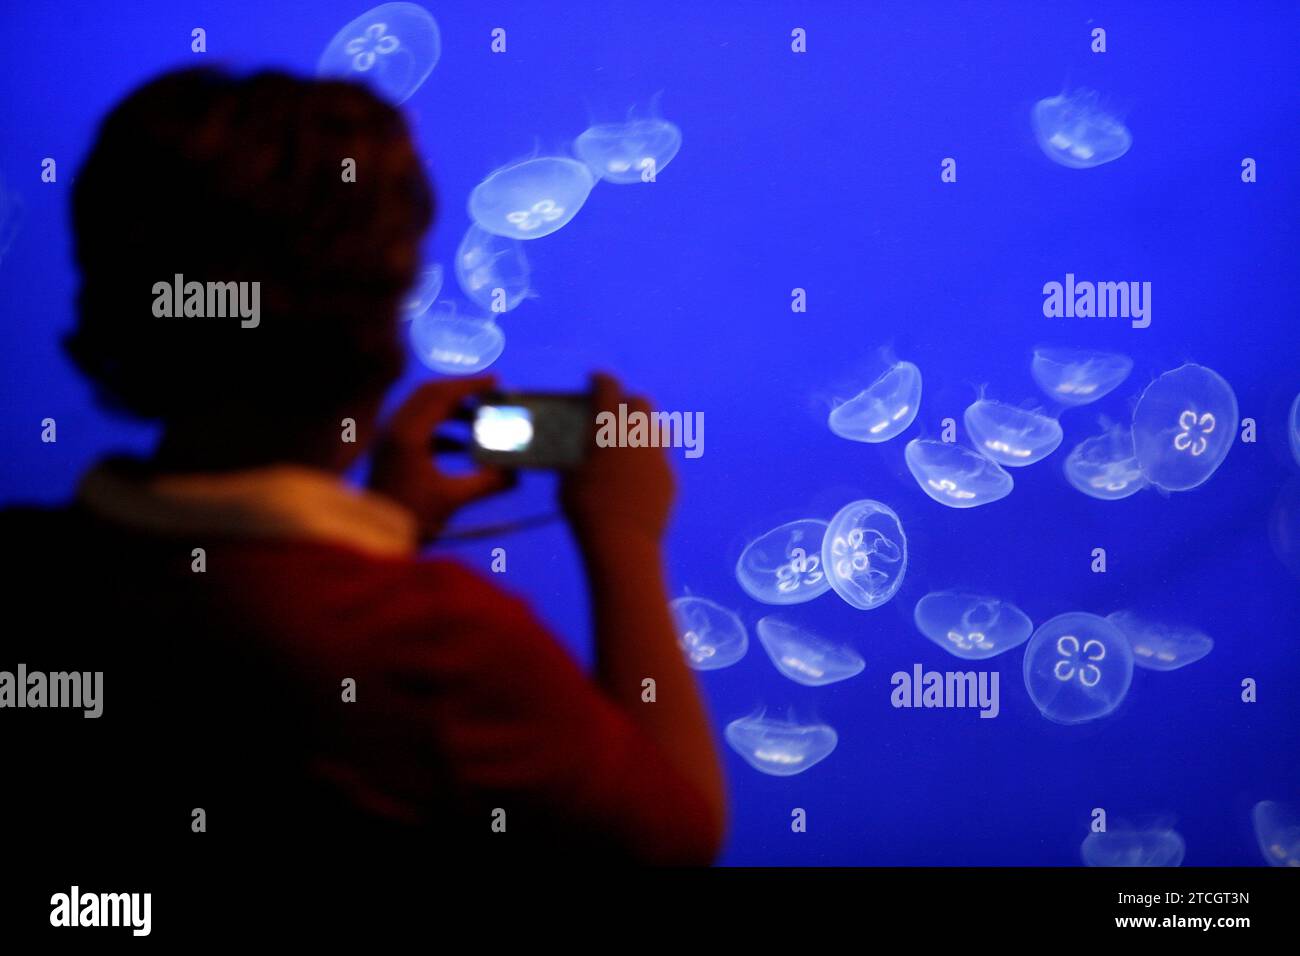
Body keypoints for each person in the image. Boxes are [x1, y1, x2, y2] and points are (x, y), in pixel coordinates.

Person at [1, 68, 725, 874]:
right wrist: (623, 533)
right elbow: (677, 842)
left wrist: (386, 535)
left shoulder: (25, 572)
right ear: (380, 324)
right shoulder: (434, 650)